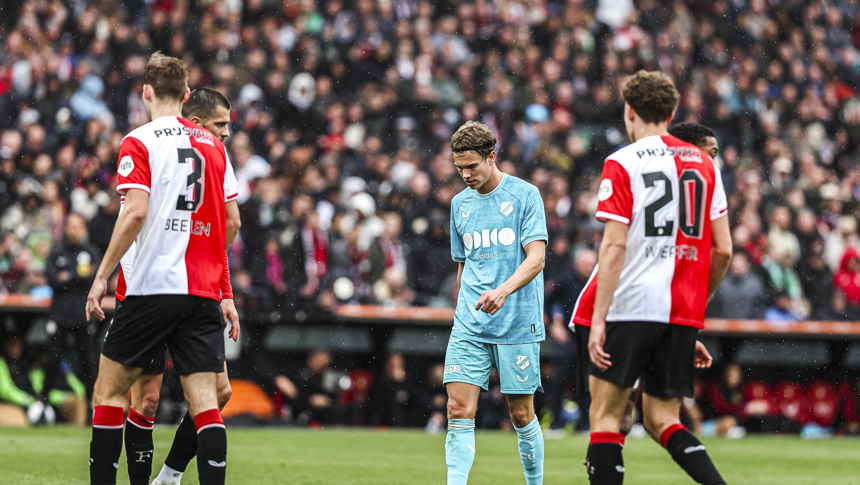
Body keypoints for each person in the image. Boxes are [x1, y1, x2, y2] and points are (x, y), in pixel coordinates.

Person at [569, 71, 732, 485]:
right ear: (672, 112)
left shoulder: (622, 161)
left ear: (629, 110)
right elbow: (723, 250)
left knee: (607, 418)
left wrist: (600, 319)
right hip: (679, 309)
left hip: (631, 302)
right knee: (663, 419)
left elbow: (613, 247)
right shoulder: (707, 166)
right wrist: (692, 310)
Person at [84, 53, 237, 485]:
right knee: (206, 402)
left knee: (109, 392)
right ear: (187, 96)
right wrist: (215, 275)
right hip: (200, 292)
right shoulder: (213, 146)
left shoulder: (140, 140)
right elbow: (233, 222)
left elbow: (134, 214)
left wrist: (101, 278)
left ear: (145, 92)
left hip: (150, 288)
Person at [121, 87, 242, 485]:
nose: (226, 132)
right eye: (220, 124)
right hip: (148, 286)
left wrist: (224, 291)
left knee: (219, 392)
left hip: (193, 288)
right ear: (195, 121)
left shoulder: (213, 156)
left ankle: (170, 475)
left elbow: (218, 233)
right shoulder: (155, 147)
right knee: (147, 399)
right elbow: (133, 219)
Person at [444, 121, 548, 485]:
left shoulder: (525, 196)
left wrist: (503, 291)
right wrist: (463, 309)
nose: (466, 174)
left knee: (520, 413)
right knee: (458, 408)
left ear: (491, 157)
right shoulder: (459, 204)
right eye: (459, 168)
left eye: (472, 166)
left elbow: (536, 258)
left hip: (517, 320)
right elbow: (464, 266)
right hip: (471, 322)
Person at [44, 212, 102, 395]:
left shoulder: (91, 251)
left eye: (77, 226)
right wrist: (78, 277)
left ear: (84, 229)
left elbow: (94, 278)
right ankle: (42, 401)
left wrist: (67, 276)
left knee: (87, 363)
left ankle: (91, 407)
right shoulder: (57, 251)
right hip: (60, 315)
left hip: (83, 315)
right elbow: (53, 279)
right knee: (52, 360)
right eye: (70, 226)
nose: (73, 230)